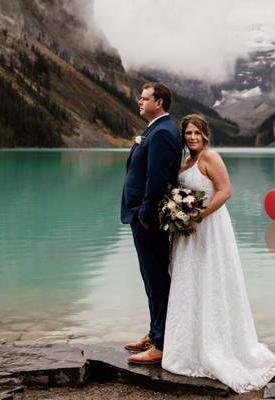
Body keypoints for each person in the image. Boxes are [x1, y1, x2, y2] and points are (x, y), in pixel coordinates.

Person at [162, 114, 275, 392]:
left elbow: (225, 191)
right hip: (187, 232)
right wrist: (178, 213)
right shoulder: (187, 163)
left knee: (211, 279)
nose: (192, 137)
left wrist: (199, 216)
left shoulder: (210, 157)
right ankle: (189, 347)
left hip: (210, 227)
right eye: (188, 133)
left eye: (197, 133)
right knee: (190, 283)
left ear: (205, 135)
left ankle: (217, 346)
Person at [121, 82, 184, 365]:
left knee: (157, 279)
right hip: (142, 215)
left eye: (144, 98)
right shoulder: (155, 130)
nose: (139, 101)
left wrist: (145, 215)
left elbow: (157, 179)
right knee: (150, 278)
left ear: (159, 102)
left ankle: (161, 343)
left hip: (149, 219)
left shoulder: (162, 132)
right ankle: (155, 331)